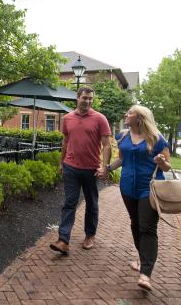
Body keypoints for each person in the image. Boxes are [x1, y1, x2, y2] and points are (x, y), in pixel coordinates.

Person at [106, 105, 171, 292]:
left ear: (140, 118)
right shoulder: (123, 136)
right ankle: (142, 258)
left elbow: (167, 167)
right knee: (135, 223)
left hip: (149, 188)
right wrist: (107, 169)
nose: (126, 114)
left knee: (147, 227)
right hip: (127, 188)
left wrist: (162, 162)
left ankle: (146, 274)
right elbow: (121, 159)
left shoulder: (157, 139)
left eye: (130, 112)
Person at [50, 86, 111, 255]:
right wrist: (61, 163)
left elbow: (107, 145)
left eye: (90, 99)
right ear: (77, 98)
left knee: (92, 203)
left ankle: (90, 235)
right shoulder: (68, 118)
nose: (88, 101)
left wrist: (104, 167)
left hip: (91, 169)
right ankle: (63, 240)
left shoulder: (100, 118)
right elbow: (65, 142)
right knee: (69, 203)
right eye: (85, 98)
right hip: (71, 168)